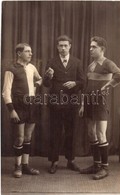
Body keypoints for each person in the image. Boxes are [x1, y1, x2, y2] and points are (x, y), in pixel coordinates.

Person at [79, 36, 120, 180]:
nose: (90, 49)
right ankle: (96, 164)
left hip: (100, 103)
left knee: (100, 134)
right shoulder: (91, 65)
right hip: (88, 102)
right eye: (90, 47)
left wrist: (108, 85)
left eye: (94, 47)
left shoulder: (108, 63)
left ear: (102, 49)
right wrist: (81, 104)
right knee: (91, 133)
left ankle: (105, 168)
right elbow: (86, 86)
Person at [43, 35, 85, 174]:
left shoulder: (77, 62)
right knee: (55, 132)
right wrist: (47, 76)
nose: (63, 48)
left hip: (72, 103)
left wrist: (75, 83)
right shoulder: (51, 62)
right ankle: (54, 161)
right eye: (60, 45)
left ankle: (70, 161)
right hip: (56, 103)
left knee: (71, 133)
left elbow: (83, 82)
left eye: (65, 45)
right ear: (57, 47)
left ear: (70, 46)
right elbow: (46, 84)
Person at [2, 43, 42, 178]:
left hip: (32, 105)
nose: (31, 54)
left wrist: (37, 84)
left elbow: (40, 79)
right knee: (19, 138)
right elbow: (5, 92)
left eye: (31, 51)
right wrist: (11, 110)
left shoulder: (32, 67)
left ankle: (25, 166)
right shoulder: (11, 69)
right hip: (19, 106)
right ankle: (17, 166)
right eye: (27, 51)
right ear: (19, 53)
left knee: (28, 137)